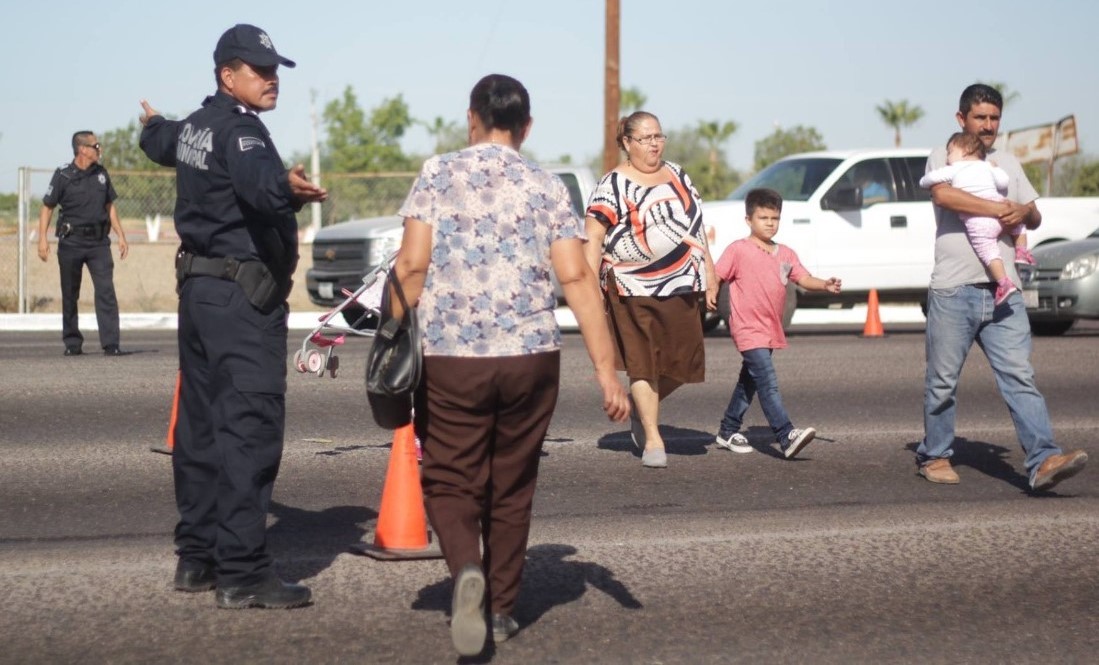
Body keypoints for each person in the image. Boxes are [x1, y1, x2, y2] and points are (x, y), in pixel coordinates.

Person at [392, 74, 629, 656]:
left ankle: (465, 570)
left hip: (454, 358)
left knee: (451, 476)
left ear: (471, 118)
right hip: (531, 358)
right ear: (526, 127)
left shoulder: (438, 174)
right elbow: (576, 277)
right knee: (512, 481)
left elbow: (412, 268)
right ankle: (499, 610)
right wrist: (607, 371)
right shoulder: (546, 185)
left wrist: (390, 335)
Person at [138, 24, 328, 609]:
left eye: (275, 70)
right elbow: (259, 182)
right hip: (241, 303)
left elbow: (161, 141)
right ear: (228, 75)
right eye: (259, 70)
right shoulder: (243, 133)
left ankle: (197, 559)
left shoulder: (196, 125)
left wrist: (149, 127)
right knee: (247, 430)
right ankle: (243, 572)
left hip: (200, 298)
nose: (272, 79)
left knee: (199, 431)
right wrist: (288, 188)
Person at [916, 83, 1087, 491]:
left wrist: (1024, 210)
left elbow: (1034, 215)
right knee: (942, 381)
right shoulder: (946, 154)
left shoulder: (1007, 162)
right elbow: (944, 195)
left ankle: (1043, 459)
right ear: (962, 119)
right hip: (955, 289)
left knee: (1019, 376)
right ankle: (935, 454)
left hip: (1004, 291)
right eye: (980, 118)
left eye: (994, 118)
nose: (989, 125)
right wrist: (1001, 208)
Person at [584, 111, 718, 469]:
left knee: (683, 364)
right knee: (643, 364)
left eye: (659, 136)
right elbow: (594, 235)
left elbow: (697, 225)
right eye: (645, 138)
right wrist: (590, 285)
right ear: (627, 143)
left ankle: (640, 405)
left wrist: (710, 270)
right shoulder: (613, 183)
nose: (654, 144)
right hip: (630, 286)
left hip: (681, 282)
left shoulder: (678, 175)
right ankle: (653, 438)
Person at [713, 188, 841, 458]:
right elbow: (717, 274)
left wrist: (824, 285)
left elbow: (803, 278)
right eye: (763, 218)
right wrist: (710, 293)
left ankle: (727, 430)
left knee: (749, 381)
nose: (770, 223)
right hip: (747, 328)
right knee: (767, 380)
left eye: (775, 218)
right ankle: (785, 435)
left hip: (769, 329)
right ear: (749, 220)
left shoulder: (785, 253)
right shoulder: (738, 250)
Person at [37, 132, 129, 356]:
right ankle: (72, 342)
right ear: (83, 149)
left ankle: (111, 343)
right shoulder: (63, 176)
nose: (99, 149)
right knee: (70, 293)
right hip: (71, 243)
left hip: (98, 244)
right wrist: (42, 239)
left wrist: (121, 235)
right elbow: (47, 207)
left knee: (106, 291)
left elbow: (110, 206)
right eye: (95, 145)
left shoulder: (101, 174)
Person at [919, 131, 1035, 305]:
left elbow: (927, 180)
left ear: (964, 152)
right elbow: (1003, 182)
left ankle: (1004, 282)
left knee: (989, 251)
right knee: (1018, 224)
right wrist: (995, 168)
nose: (947, 156)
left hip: (978, 222)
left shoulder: (953, 169)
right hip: (1000, 209)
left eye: (950, 152)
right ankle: (1022, 251)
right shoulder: (987, 165)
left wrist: (925, 181)